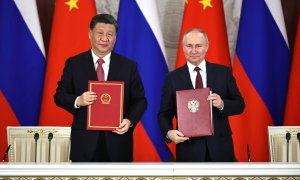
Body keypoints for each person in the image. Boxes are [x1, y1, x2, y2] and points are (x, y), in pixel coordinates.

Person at [54, 14, 147, 162]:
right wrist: (79, 100)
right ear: (90, 34)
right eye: (100, 33)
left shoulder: (128, 66)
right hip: (84, 142)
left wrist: (129, 121)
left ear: (115, 38)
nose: (105, 38)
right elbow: (59, 96)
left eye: (110, 34)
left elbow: (140, 101)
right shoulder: (74, 64)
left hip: (118, 141)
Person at [158, 28, 245, 162]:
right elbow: (164, 113)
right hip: (188, 149)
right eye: (189, 46)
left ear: (206, 47)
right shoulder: (172, 78)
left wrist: (222, 104)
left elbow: (240, 105)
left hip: (220, 148)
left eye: (198, 46)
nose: (193, 51)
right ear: (183, 48)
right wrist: (169, 133)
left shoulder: (223, 73)